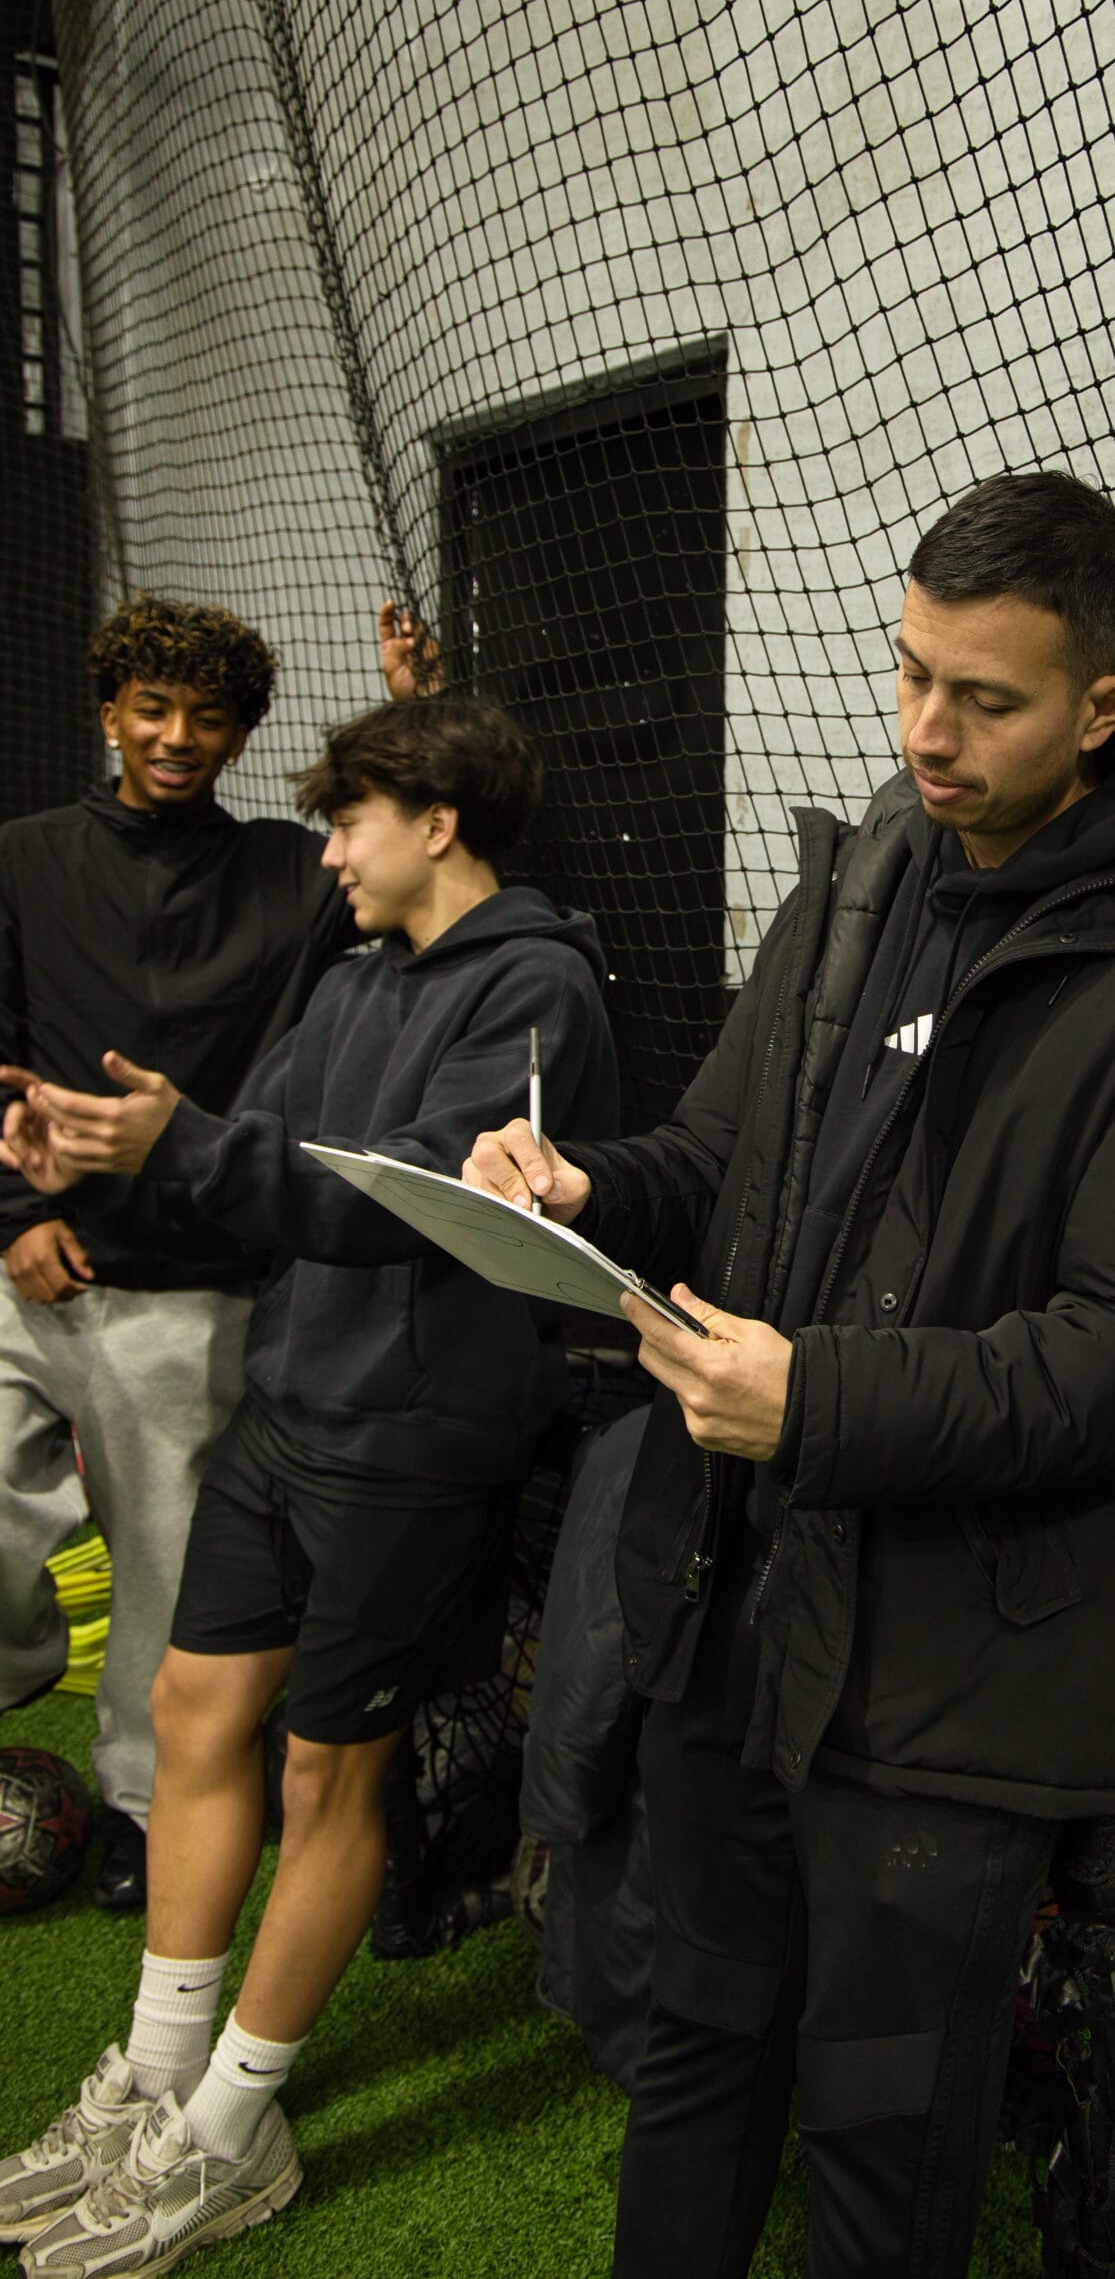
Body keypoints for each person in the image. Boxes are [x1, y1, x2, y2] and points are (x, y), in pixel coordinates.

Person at [464, 470, 1115, 2277]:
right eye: (910, 672)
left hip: (948, 1678)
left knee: (881, 2139)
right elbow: (716, 1158)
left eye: (986, 698)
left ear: (1103, 705)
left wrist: (819, 1403)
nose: (929, 730)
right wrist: (580, 1188)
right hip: (734, 1605)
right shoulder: (863, 884)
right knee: (695, 2049)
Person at [0, 692, 620, 2275]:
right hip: (289, 1408)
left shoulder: (540, 988)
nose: (329, 850)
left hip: (413, 1446)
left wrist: (184, 1151)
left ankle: (234, 2130)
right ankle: (155, 2074)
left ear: (438, 824)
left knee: (326, 1777)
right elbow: (252, 1145)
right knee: (203, 1715)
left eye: (351, 819)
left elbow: (402, 1204)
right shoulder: (353, 981)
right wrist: (98, 1148)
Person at [0, 592, 428, 1909]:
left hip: (191, 1293)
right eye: (154, 708)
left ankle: (137, 1814)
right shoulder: (18, 860)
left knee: (164, 1582)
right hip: (33, 1268)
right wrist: (15, 1220)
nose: (178, 737)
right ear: (110, 711)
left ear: (240, 735)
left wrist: (412, 720)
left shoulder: (284, 880)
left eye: (210, 718)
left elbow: (409, 857)